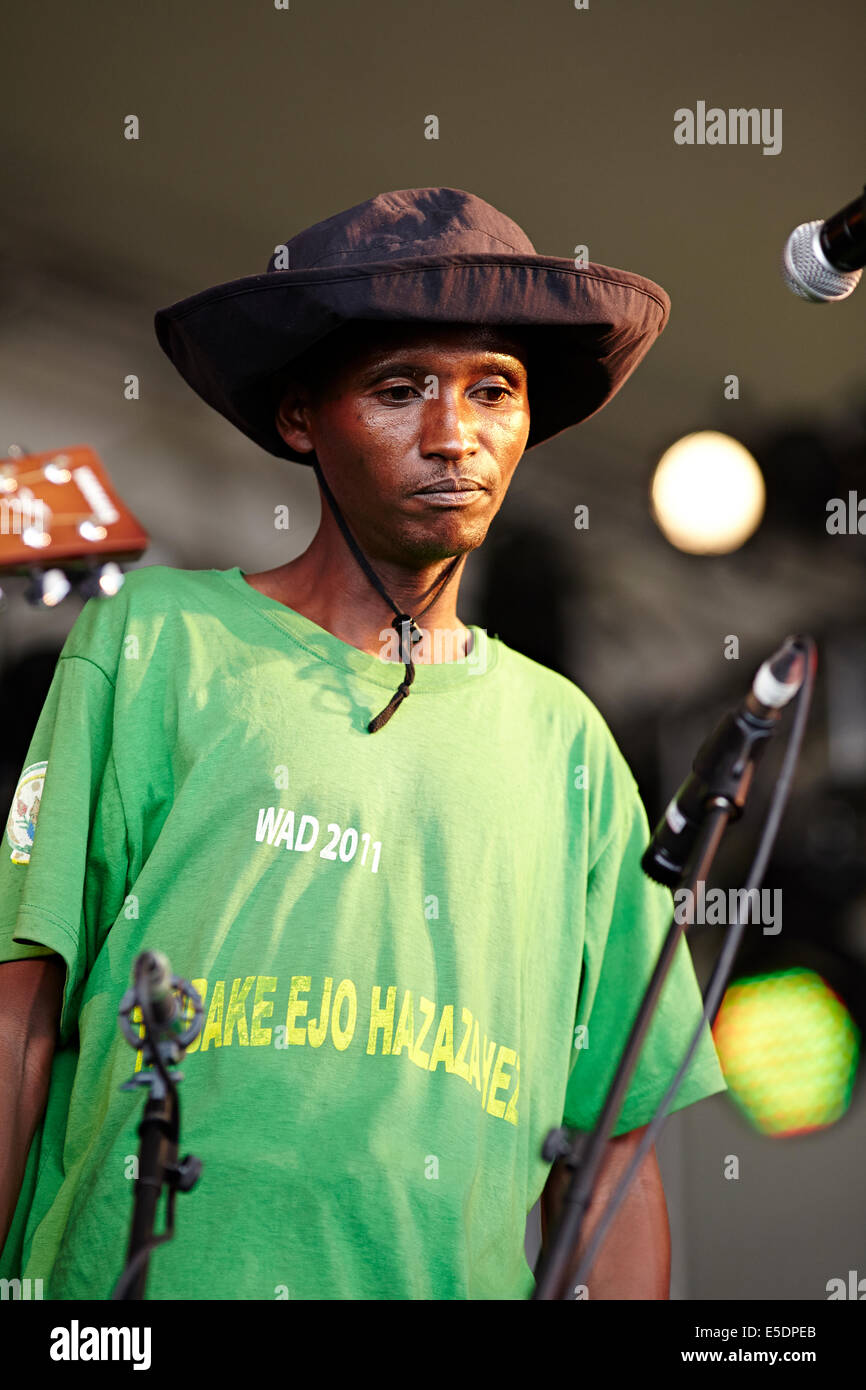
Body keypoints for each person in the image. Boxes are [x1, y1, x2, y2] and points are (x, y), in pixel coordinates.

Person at [0, 187, 726, 1301]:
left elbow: (613, 1159)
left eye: (494, 391)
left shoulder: (568, 745)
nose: (453, 434)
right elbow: (19, 1020)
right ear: (300, 418)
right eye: (399, 390)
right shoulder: (152, 641)